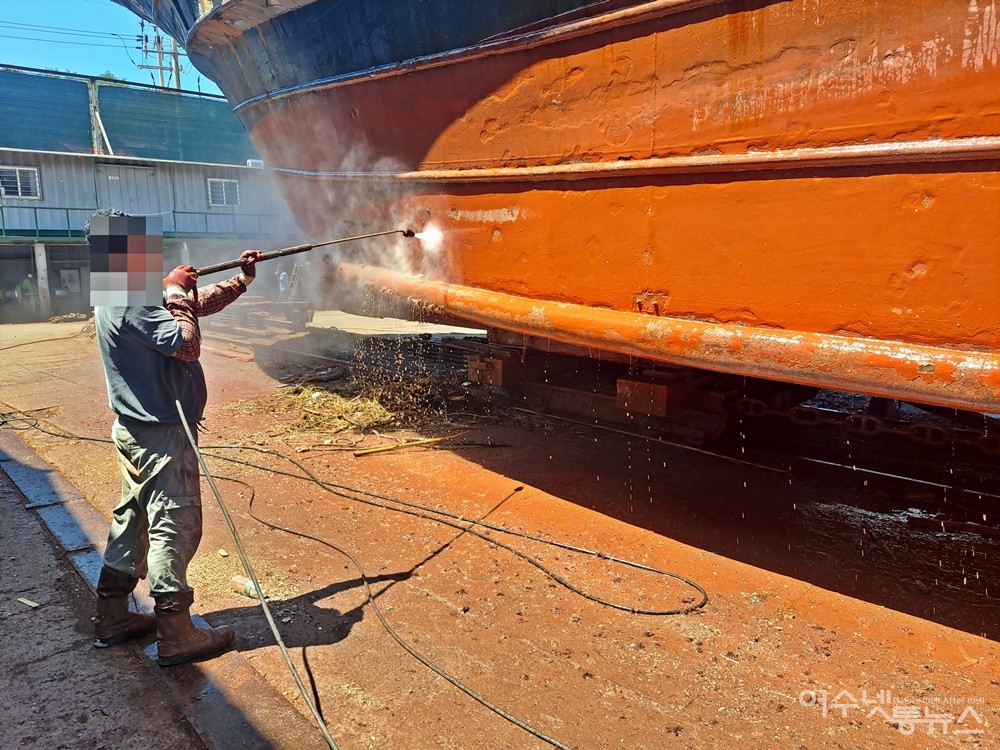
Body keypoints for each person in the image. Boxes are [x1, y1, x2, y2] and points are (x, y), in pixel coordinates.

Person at [89, 210, 262, 666]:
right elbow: (185, 342)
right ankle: (177, 632)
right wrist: (173, 290)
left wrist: (239, 282)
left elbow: (188, 308)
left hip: (134, 430)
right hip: (162, 435)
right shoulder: (135, 299)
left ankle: (112, 617)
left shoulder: (116, 292)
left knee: (133, 519)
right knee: (174, 524)